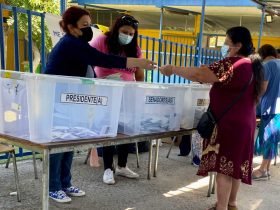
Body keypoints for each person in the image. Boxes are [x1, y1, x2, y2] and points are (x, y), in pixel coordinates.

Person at [44, 6, 155, 203]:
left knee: (69, 140)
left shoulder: (76, 42)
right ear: (71, 27)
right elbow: (101, 58)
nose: (89, 28)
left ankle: (65, 183)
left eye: (90, 24)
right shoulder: (71, 43)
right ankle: (53, 186)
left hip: (70, 98)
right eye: (84, 25)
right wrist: (136, 62)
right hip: (57, 97)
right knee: (58, 142)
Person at [159, 26, 264, 210]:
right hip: (246, 123)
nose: (224, 46)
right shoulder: (252, 65)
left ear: (238, 45)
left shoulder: (231, 64)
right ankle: (231, 204)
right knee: (235, 166)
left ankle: (221, 207)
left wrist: (172, 68)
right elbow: (258, 92)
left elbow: (198, 74)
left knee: (224, 168)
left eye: (227, 43)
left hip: (229, 125)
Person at [89, 15, 143, 185]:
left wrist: (138, 90)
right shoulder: (102, 41)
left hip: (127, 93)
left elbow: (139, 73)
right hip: (106, 92)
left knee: (124, 128)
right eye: (124, 32)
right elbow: (89, 62)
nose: (128, 36)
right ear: (116, 29)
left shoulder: (134, 48)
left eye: (131, 33)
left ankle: (122, 165)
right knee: (108, 129)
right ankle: (107, 168)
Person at [253, 44, 280, 180]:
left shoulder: (267, 66)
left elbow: (262, 89)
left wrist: (254, 101)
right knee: (273, 138)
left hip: (271, 107)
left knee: (269, 138)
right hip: (278, 108)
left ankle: (263, 169)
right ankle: (266, 168)